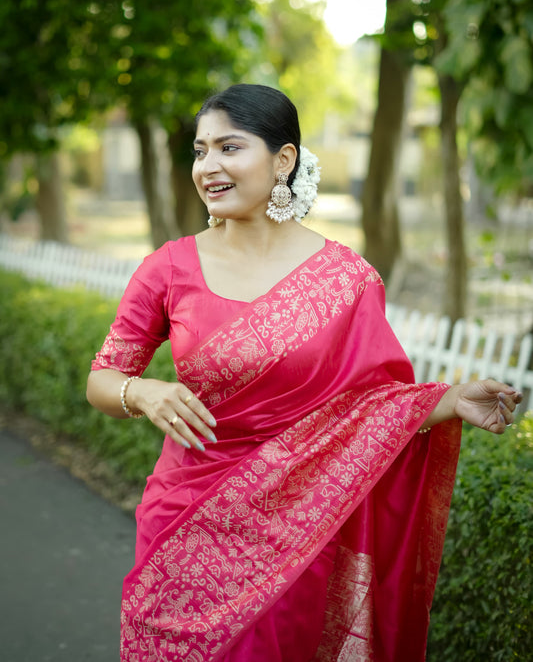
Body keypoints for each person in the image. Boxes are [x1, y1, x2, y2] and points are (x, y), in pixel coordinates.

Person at [87, 83, 521, 662]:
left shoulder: (345, 280)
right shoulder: (168, 268)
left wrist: (449, 400)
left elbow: (372, 408)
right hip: (184, 517)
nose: (208, 166)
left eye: (229, 148)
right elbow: (102, 378)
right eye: (200, 150)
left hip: (297, 529)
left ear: (283, 159)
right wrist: (142, 391)